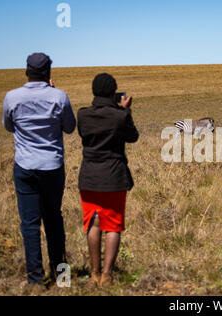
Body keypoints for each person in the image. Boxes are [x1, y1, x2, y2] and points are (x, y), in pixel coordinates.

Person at [2, 53, 76, 286]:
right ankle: (62, 276)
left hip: (25, 166)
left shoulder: (12, 97)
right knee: (54, 219)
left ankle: (35, 279)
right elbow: (70, 127)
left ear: (26, 71)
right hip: (52, 166)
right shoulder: (59, 96)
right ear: (49, 73)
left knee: (30, 224)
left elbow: (8, 126)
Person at [77, 73, 139, 287]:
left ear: (94, 91)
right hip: (114, 176)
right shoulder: (119, 116)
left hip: (89, 178)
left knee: (93, 224)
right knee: (112, 226)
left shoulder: (82, 115)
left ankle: (93, 273)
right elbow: (133, 136)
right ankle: (107, 275)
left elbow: (84, 135)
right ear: (114, 92)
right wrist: (125, 110)